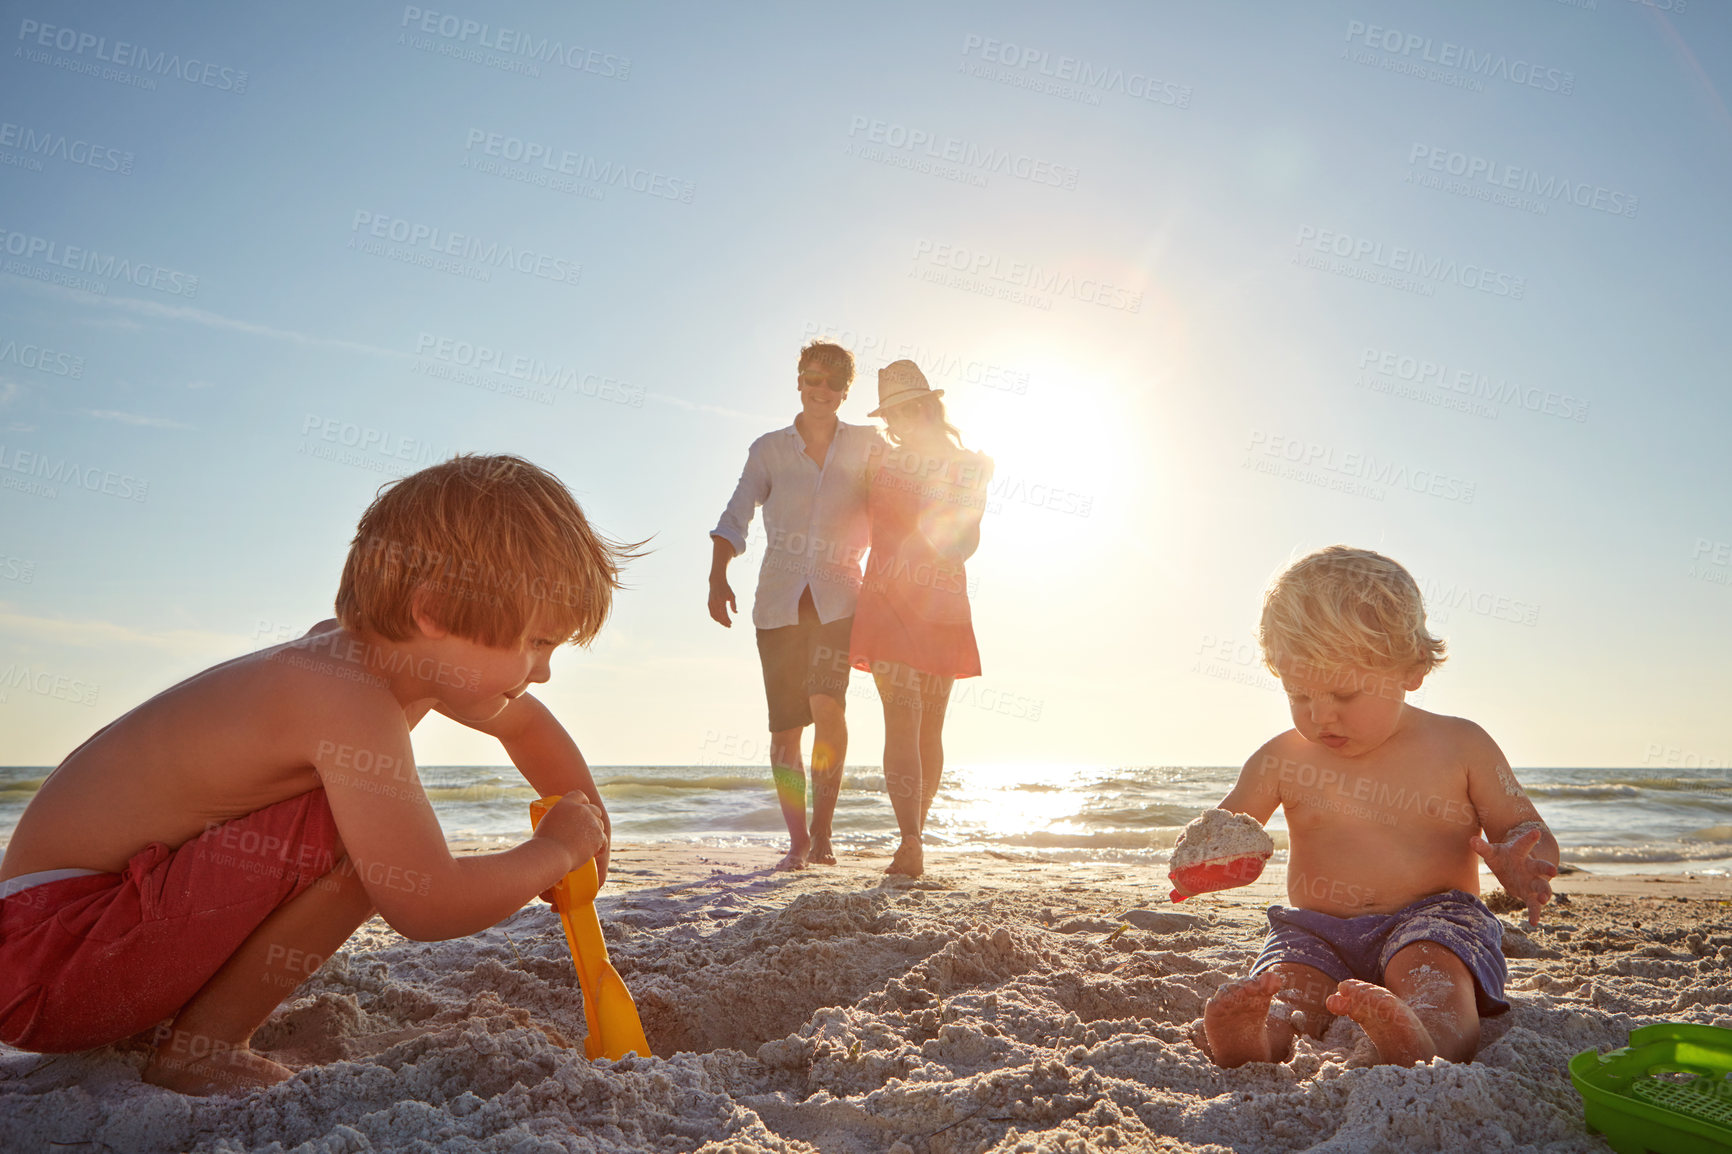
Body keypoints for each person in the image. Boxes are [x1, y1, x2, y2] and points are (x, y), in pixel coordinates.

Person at [0, 455, 632, 1094]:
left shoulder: (367, 662)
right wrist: (553, 851)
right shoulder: (343, 696)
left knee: (367, 820)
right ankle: (202, 1052)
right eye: (536, 643)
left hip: (58, 946)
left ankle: (191, 1033)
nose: (544, 670)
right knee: (367, 836)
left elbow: (525, 724)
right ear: (435, 611)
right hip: (48, 960)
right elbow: (425, 902)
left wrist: (590, 825)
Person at [1200, 546, 1559, 1069]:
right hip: (1315, 926)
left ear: (1411, 670)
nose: (1321, 715)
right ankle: (1259, 1040)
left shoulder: (1461, 744)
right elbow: (1224, 833)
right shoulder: (1282, 758)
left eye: (1344, 693)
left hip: (1434, 918)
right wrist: (1204, 867)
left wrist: (1523, 861)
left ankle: (1422, 1038)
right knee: (1288, 986)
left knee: (1434, 978)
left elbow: (1525, 827)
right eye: (1299, 694)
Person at [709, 341, 880, 870]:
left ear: (846, 391)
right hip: (779, 605)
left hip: (839, 601)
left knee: (828, 706)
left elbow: (904, 503)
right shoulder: (768, 450)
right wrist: (718, 576)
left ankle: (824, 834)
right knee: (785, 733)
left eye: (833, 383)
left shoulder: (871, 446)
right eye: (812, 378)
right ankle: (798, 842)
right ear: (799, 380)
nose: (821, 390)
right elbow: (736, 514)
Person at [848, 361, 992, 878]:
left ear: (930, 406)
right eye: (895, 412)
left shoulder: (967, 465)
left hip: (940, 604)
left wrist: (967, 495)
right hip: (887, 600)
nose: (905, 419)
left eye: (913, 407)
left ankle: (914, 838)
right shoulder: (877, 462)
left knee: (930, 726)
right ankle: (910, 839)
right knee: (901, 721)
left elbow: (965, 545)